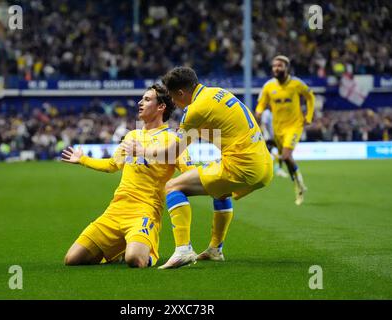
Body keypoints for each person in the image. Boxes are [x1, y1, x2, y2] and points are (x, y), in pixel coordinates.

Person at [123, 67, 273, 269]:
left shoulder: (195, 109)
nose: (173, 103)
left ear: (181, 93)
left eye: (173, 97)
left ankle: (183, 249)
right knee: (220, 191)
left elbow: (173, 152)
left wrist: (143, 150)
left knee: (173, 186)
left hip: (243, 166)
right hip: (264, 164)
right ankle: (215, 249)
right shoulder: (217, 92)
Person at [61, 84, 193, 268]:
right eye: (142, 99)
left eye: (147, 99)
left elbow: (189, 173)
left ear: (161, 107)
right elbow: (112, 165)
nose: (140, 102)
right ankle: (121, 247)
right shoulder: (132, 135)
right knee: (72, 259)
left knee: (135, 260)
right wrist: (82, 159)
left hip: (144, 212)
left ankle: (145, 249)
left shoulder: (172, 140)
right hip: (115, 210)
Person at [255, 55, 315, 205]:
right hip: (278, 128)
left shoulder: (296, 84)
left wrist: (309, 116)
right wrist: (259, 112)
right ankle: (300, 185)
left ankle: (299, 188)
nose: (276, 68)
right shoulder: (269, 86)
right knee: (286, 160)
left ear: (286, 68)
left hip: (294, 126)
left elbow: (310, 97)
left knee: (287, 156)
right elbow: (261, 103)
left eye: (279, 66)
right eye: (274, 66)